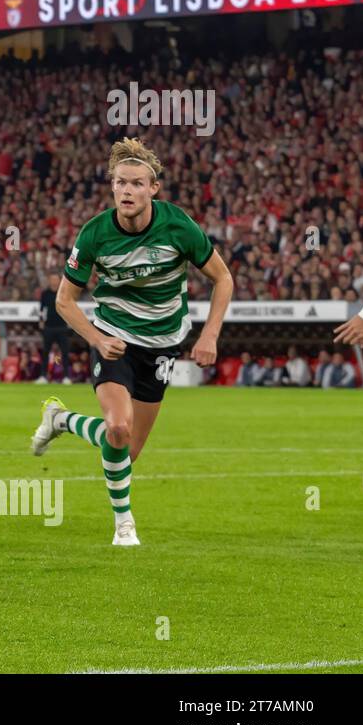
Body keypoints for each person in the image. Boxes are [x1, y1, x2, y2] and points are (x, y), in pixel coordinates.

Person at [28, 138, 234, 547]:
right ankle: (124, 524)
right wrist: (98, 339)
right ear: (112, 187)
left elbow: (222, 278)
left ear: (153, 188)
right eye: (120, 183)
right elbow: (65, 301)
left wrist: (209, 333)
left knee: (127, 450)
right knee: (118, 428)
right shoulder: (95, 234)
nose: (127, 190)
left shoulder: (178, 225)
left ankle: (62, 420)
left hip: (163, 344)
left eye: (137, 183)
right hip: (115, 340)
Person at [37, 271, 73, 385]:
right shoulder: (45, 294)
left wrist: (70, 321)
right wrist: (41, 321)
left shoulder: (64, 292)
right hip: (49, 327)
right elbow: (42, 309)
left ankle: (66, 377)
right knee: (45, 352)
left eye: (56, 279)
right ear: (49, 281)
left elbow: (70, 307)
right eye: (52, 279)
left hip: (62, 327)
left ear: (59, 281)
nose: (54, 281)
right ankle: (43, 376)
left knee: (65, 353)